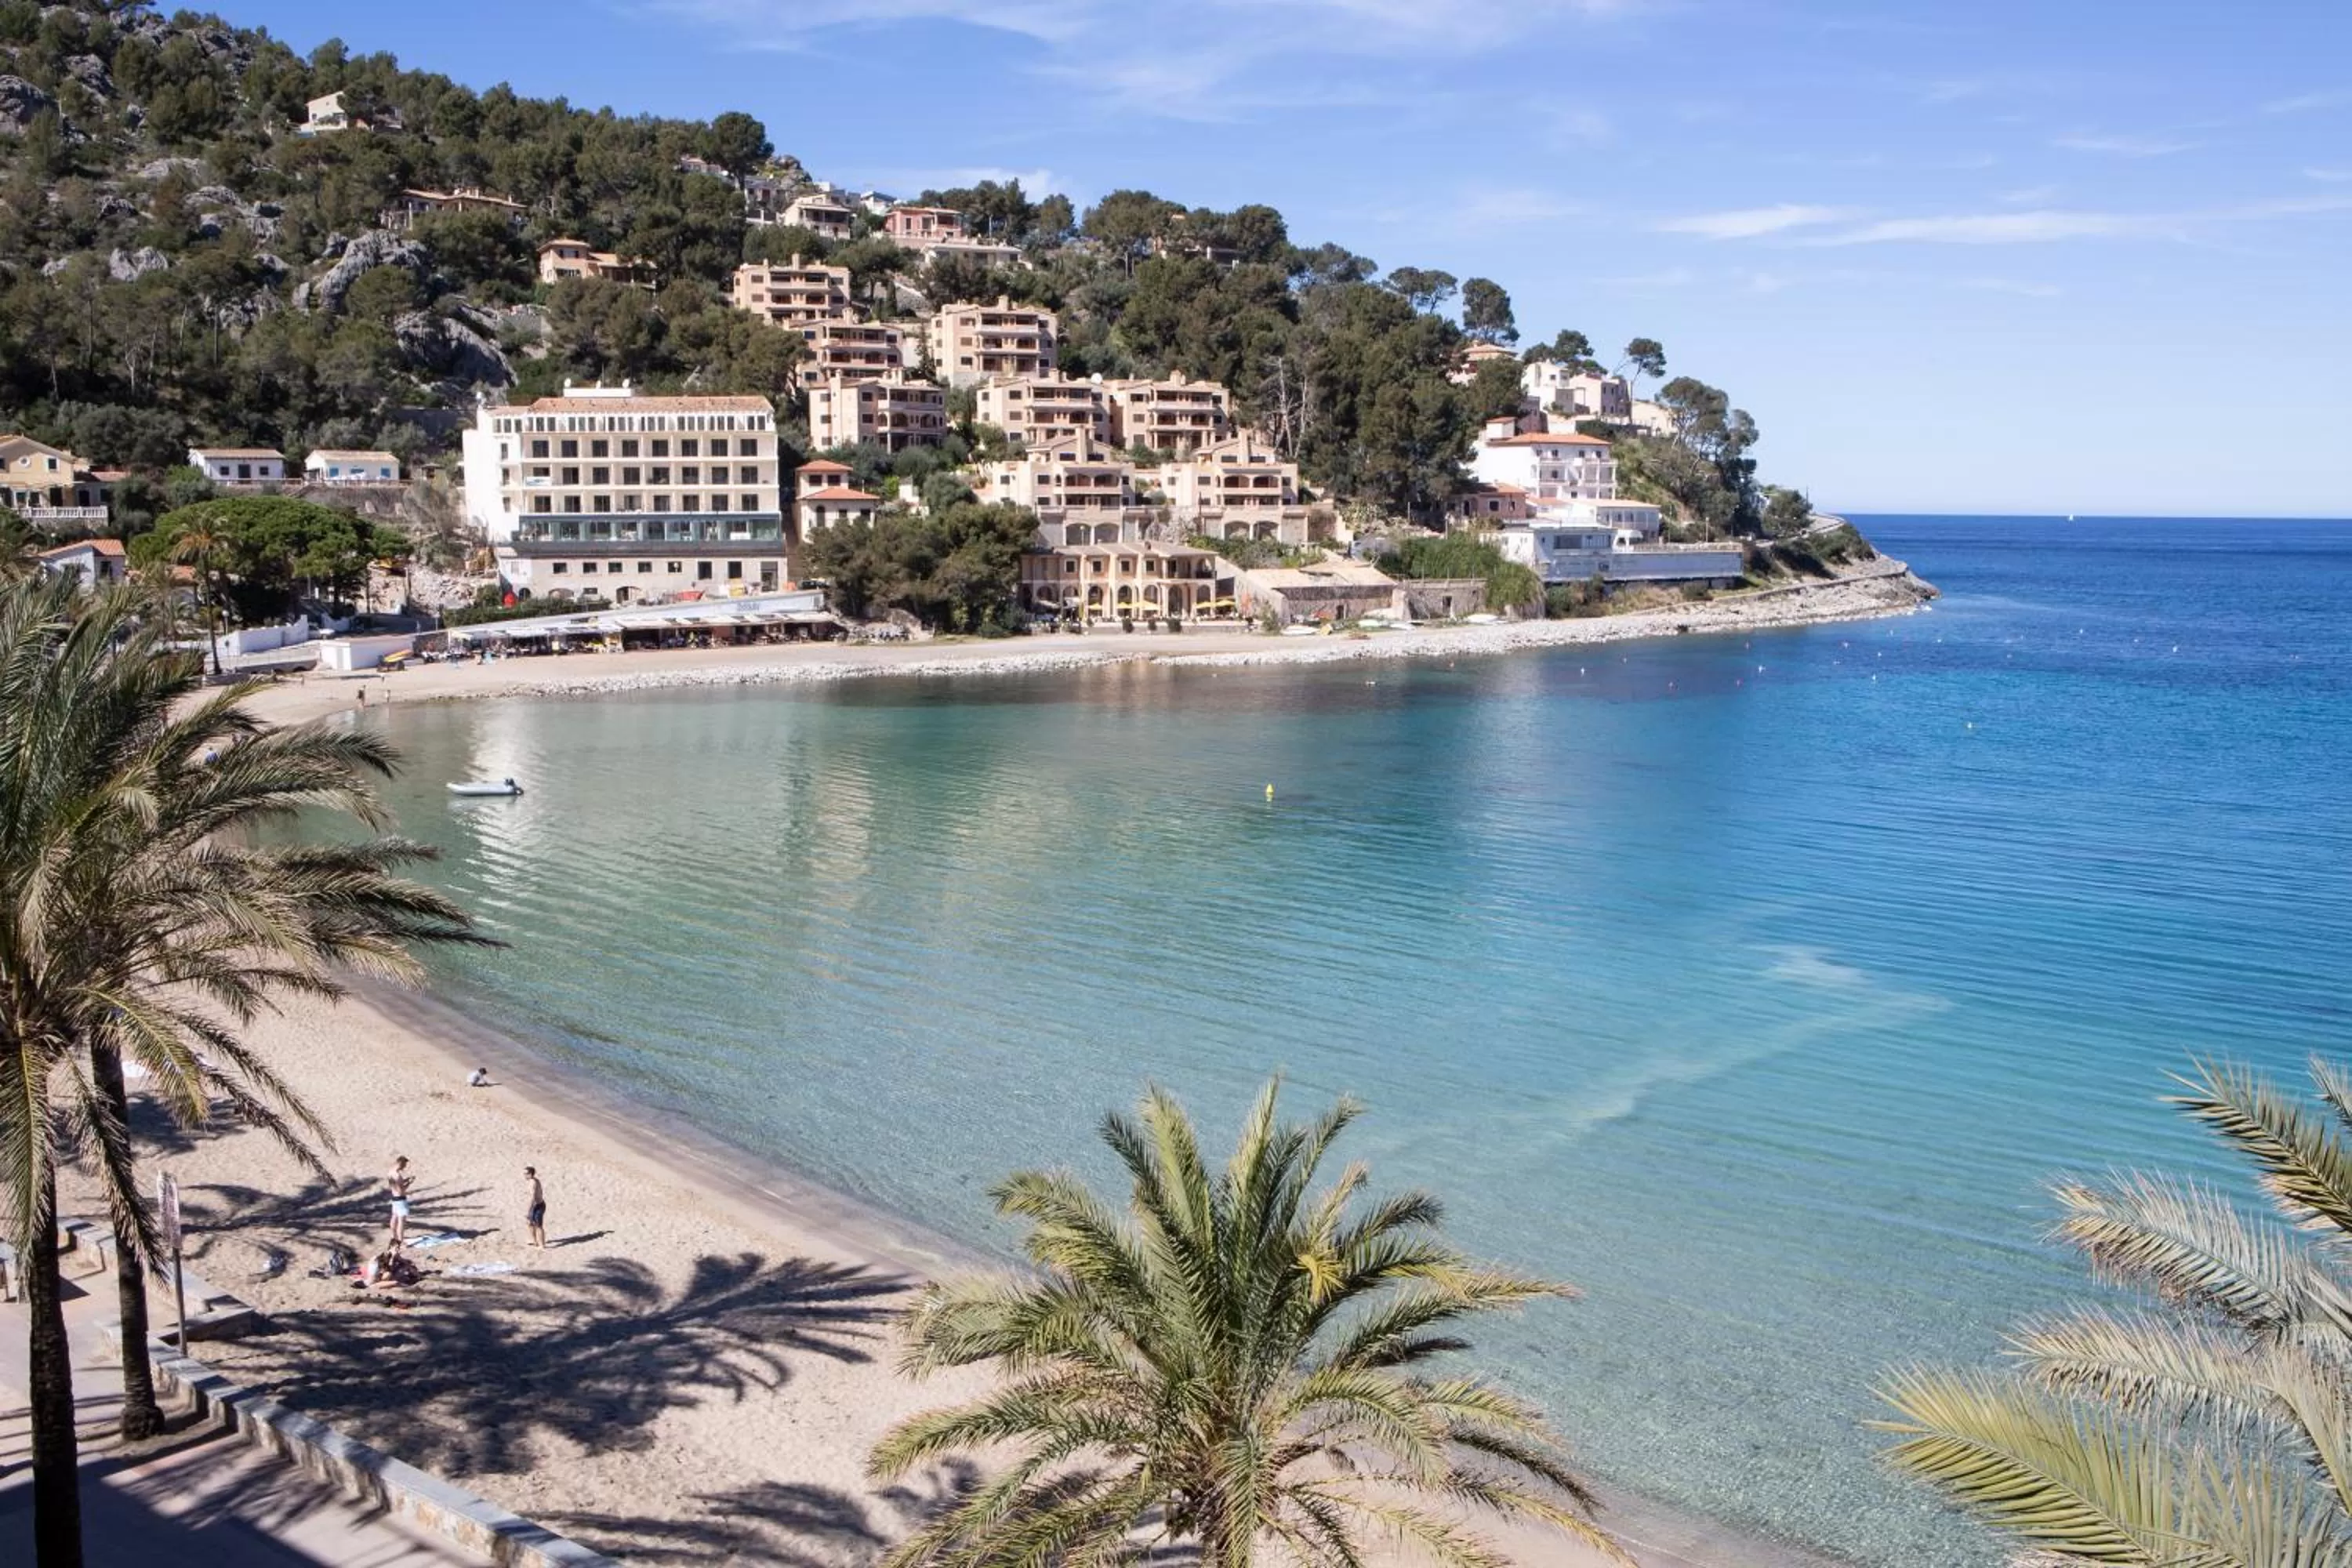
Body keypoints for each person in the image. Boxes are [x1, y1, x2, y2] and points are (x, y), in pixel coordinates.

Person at [386, 1156, 413, 1245]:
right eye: (404, 1165)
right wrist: (409, 1183)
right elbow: (401, 1191)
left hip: (394, 1199)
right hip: (401, 1200)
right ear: (400, 1163)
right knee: (401, 1222)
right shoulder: (397, 1175)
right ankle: (400, 1241)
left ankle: (393, 1237)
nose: (404, 1167)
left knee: (394, 1218)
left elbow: (396, 1185)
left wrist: (405, 1180)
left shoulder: (390, 1172)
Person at [524, 1166, 546, 1250]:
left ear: (531, 1174)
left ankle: (542, 1245)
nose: (524, 1175)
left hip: (538, 1206)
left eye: (526, 1173)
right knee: (529, 1223)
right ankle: (534, 1241)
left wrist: (528, 1210)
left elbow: (532, 1198)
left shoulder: (533, 1183)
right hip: (535, 1206)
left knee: (538, 1226)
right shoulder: (532, 1181)